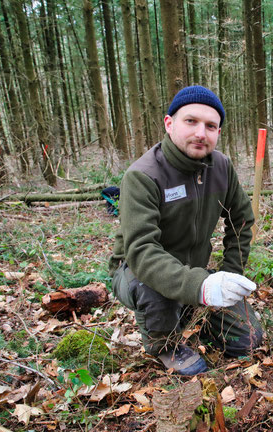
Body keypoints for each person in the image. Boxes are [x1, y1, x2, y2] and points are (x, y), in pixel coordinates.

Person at [110, 85, 263, 376]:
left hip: (194, 272)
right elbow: (142, 252)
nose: (200, 133)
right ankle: (165, 345)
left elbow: (241, 221)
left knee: (248, 340)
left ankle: (191, 312)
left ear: (218, 132)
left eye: (211, 126)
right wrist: (202, 286)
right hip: (136, 272)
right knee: (148, 283)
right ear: (169, 124)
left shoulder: (221, 167)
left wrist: (229, 275)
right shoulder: (143, 176)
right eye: (190, 121)